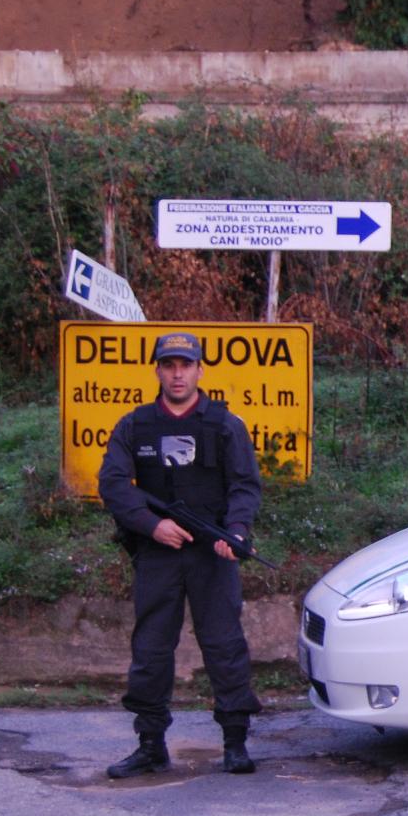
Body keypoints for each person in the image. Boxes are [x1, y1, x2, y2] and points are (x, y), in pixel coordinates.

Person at [98, 331, 265, 778]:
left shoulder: (225, 425)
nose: (177, 373)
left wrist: (235, 531)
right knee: (151, 649)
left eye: (185, 365)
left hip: (213, 552)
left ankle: (235, 742)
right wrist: (151, 524)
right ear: (157, 369)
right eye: (169, 365)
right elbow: (113, 484)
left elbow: (245, 486)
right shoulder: (134, 425)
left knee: (224, 646)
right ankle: (150, 745)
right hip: (158, 553)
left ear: (199, 370)